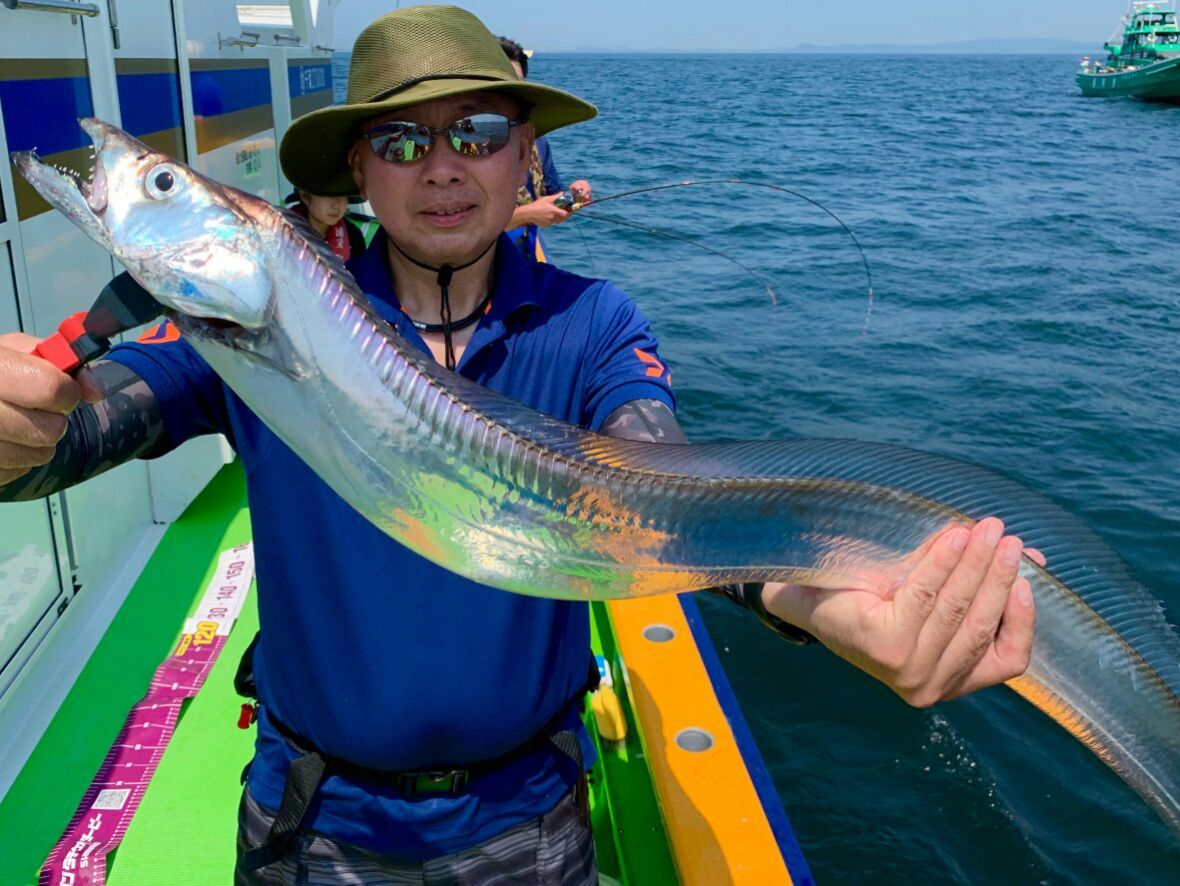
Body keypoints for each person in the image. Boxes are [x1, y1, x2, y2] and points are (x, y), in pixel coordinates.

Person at [0, 5, 1036, 883]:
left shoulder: (591, 327)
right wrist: (21, 433)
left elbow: (661, 485)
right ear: (358, 166)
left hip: (528, 823)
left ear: (525, 151)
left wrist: (798, 598)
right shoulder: (241, 329)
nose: (443, 168)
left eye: (479, 132)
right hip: (309, 821)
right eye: (402, 141)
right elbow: (84, 428)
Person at [499, 36, 593, 260]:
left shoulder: (536, 140)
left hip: (529, 251)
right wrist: (526, 214)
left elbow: (551, 197)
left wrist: (574, 197)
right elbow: (460, 225)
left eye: (518, 87)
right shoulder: (465, 146)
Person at [286, 189, 367, 260]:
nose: (337, 205)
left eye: (343, 196)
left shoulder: (353, 236)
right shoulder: (284, 230)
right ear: (306, 197)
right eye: (329, 195)